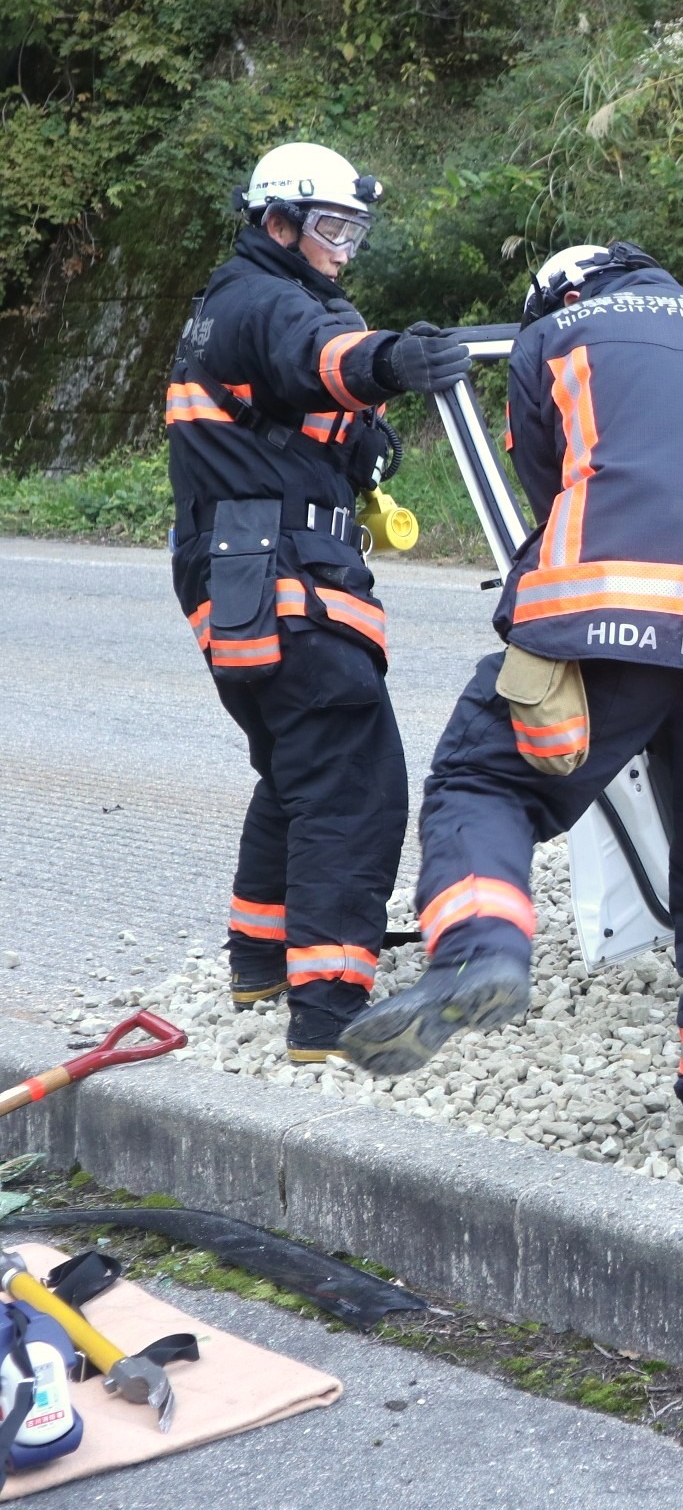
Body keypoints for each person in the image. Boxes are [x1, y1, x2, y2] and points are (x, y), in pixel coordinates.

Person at [336, 243, 683, 1173]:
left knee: (485, 779)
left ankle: (478, 949)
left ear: (562, 291)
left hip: (599, 629)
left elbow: (552, 484)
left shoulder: (556, 335)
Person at [166, 141, 470, 1062]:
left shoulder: (232, 302)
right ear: (279, 221)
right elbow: (324, 357)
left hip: (240, 576)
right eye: (331, 228)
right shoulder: (266, 300)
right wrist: (394, 362)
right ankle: (331, 1011)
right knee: (353, 782)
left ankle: (260, 959)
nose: (343, 248)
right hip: (280, 577)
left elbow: (296, 403)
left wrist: (360, 445)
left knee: (298, 770)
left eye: (354, 232)